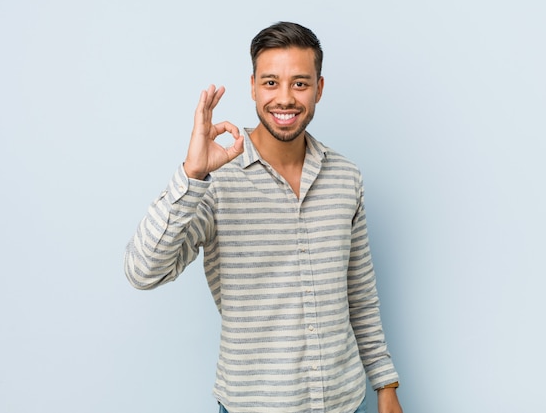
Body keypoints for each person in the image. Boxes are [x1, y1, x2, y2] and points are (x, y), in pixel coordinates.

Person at [124, 21, 403, 413]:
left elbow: (358, 294)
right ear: (253, 86)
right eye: (271, 83)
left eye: (300, 83)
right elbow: (143, 271)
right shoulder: (214, 181)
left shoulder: (346, 176)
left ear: (319, 89)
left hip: (345, 401)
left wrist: (385, 383)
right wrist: (192, 174)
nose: (285, 98)